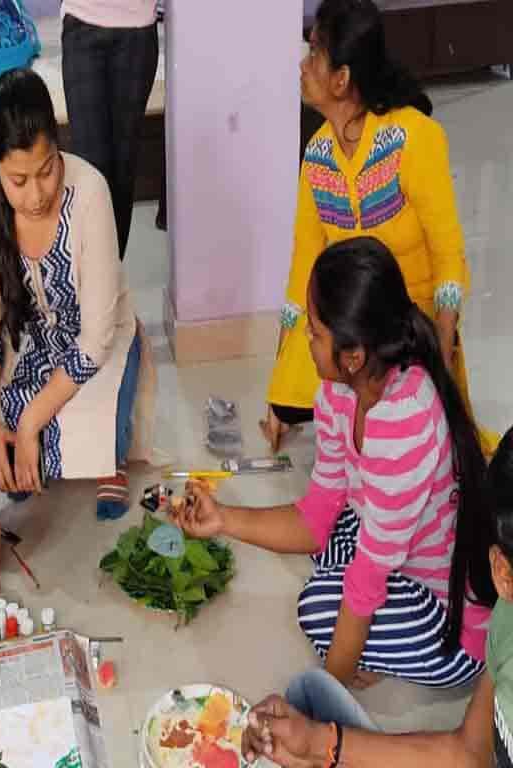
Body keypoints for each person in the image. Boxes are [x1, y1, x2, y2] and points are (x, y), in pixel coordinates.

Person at [176, 237, 496, 689]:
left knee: (318, 608)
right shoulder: (339, 389)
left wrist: (327, 694)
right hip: (405, 555)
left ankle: (387, 650)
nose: (306, 339)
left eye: (315, 331)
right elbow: (314, 518)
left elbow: (365, 583)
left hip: (452, 621)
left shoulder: (403, 422)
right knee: (332, 539)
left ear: (353, 355)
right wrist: (222, 520)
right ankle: (370, 638)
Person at [263, 0, 494, 455]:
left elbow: (448, 253)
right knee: (289, 401)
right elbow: (304, 257)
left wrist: (443, 355)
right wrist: (279, 378)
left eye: (314, 54)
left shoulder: (414, 137)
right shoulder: (317, 153)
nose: (302, 65)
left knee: (406, 436)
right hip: (352, 320)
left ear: (342, 78)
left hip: (410, 322)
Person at [0, 68, 155, 520]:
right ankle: (29, 454)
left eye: (47, 170)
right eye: (19, 180)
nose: (37, 194)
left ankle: (102, 456)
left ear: (58, 149)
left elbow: (95, 340)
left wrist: (32, 421)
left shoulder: (88, 190)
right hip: (31, 338)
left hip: (98, 341)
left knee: (105, 432)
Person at [241, 425, 513, 768]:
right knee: (308, 694)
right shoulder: (506, 619)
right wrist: (319, 743)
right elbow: (468, 753)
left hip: (447, 630)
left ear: (500, 571)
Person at [60, 0, 160, 260]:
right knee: (90, 173)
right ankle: (89, 284)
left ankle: (109, 281)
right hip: (82, 22)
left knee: (122, 173)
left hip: (136, 29)